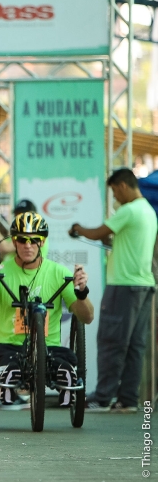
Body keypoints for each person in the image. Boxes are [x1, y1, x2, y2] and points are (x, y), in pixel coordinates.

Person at [0, 212, 94, 408]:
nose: (28, 245)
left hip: (49, 347)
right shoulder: (0, 272)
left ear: (42, 242)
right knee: (7, 361)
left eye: (34, 240)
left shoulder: (59, 273)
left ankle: (67, 384)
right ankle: (8, 381)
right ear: (14, 242)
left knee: (66, 363)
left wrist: (82, 292)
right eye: (22, 240)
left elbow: (87, 317)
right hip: (9, 346)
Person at [71, 168, 158, 412]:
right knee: (134, 345)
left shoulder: (128, 210)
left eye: (114, 191)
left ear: (121, 186)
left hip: (123, 285)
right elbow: (119, 240)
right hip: (144, 285)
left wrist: (78, 228)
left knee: (112, 341)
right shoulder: (148, 211)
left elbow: (98, 232)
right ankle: (127, 399)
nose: (115, 197)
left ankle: (103, 396)